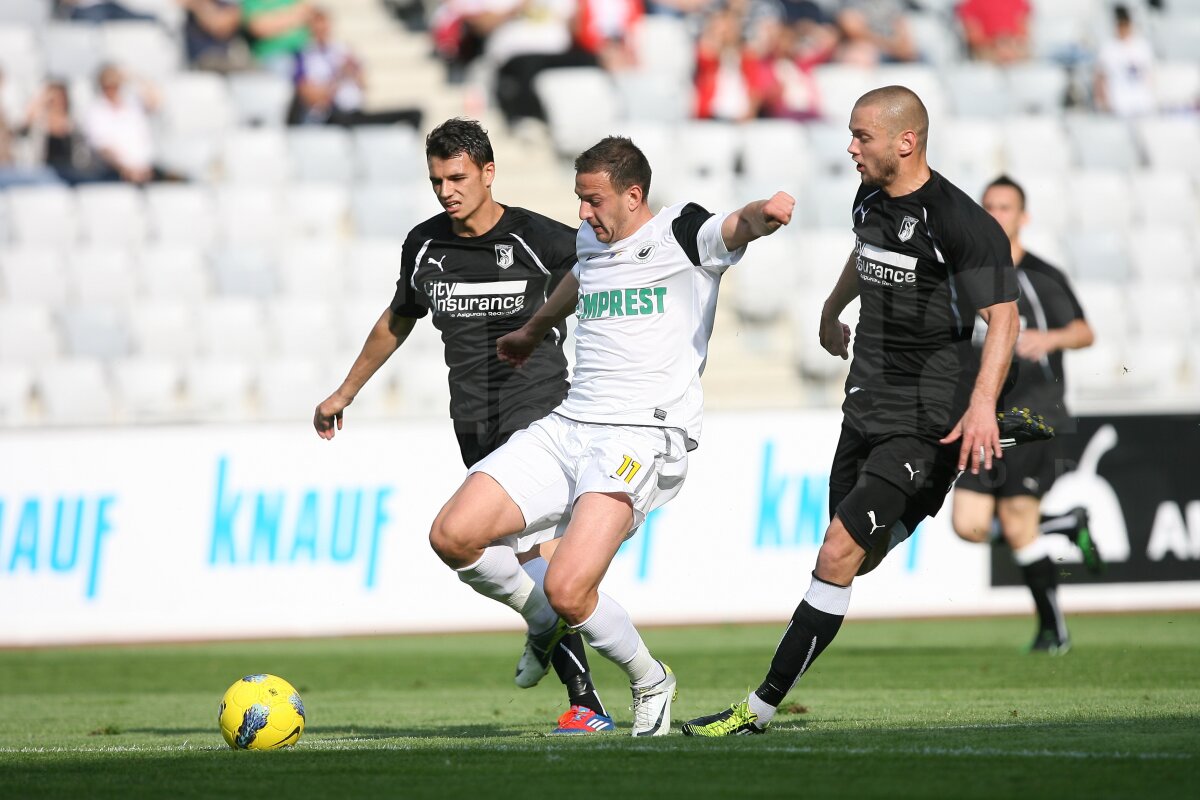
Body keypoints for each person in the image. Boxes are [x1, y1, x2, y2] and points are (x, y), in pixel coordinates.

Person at [683, 85, 1021, 736]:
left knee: (835, 553)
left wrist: (982, 406)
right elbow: (865, 252)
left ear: (906, 141)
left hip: (923, 414)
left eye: (861, 135)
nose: (850, 146)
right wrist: (832, 306)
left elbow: (1002, 320)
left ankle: (756, 709)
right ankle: (923, 499)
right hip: (862, 400)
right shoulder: (868, 195)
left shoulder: (960, 222)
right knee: (859, 559)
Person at [428, 136, 794, 736]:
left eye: (593, 200)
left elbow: (736, 225)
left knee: (574, 588)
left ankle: (650, 677)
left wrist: (765, 213)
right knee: (452, 535)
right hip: (570, 423)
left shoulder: (682, 232)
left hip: (639, 436)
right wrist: (535, 328)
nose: (582, 213)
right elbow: (582, 278)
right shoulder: (591, 239)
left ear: (634, 194)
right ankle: (539, 614)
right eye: (578, 199)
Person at [313, 118, 611, 734]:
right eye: (436, 180)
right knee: (505, 561)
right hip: (472, 420)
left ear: (488, 173)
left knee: (543, 559)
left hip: (542, 414)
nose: (446, 191)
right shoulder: (425, 244)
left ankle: (587, 703)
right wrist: (346, 391)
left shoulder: (537, 237)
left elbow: (606, 264)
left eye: (457, 177)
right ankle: (543, 629)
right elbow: (396, 320)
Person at [951, 175, 1100, 656]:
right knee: (968, 525)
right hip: (983, 418)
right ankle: (1063, 524)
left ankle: (1053, 630)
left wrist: (1049, 339)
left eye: (1006, 207)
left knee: (1016, 524)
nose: (996, 214)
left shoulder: (1041, 276)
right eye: (988, 206)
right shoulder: (966, 276)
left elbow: (1084, 331)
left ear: (1023, 216)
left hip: (1033, 419)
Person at [289, 6, 422, 128]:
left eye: (325, 28)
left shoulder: (342, 50)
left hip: (353, 112)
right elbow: (309, 96)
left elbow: (364, 84)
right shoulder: (304, 56)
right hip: (327, 116)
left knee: (413, 114)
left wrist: (353, 72)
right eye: (317, 30)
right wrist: (337, 79)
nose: (322, 34)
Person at [1093, 4, 1155, 118]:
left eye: (1126, 24)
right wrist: (1103, 102)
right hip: (1117, 103)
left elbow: (1149, 75)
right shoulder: (1108, 48)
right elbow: (1100, 77)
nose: (1123, 29)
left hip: (1141, 103)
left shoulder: (1142, 46)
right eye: (1120, 25)